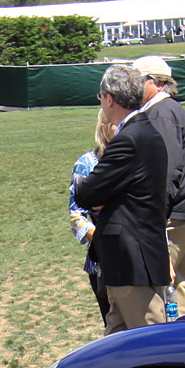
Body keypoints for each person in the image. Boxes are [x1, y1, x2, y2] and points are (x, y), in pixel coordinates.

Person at [73, 64, 172, 334]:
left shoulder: (129, 139)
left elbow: (85, 193)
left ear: (109, 99)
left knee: (150, 344)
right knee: (115, 344)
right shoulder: (147, 132)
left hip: (132, 263)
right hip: (133, 260)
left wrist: (85, 184)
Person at [130, 55, 185, 312]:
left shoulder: (160, 114)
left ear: (154, 82)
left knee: (156, 287)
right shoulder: (173, 110)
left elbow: (165, 170)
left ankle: (166, 348)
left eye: (137, 81)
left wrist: (154, 216)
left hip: (178, 213)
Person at [68, 106, 117, 324]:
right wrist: (104, 240)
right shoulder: (87, 163)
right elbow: (76, 216)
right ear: (104, 128)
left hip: (140, 259)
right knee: (114, 329)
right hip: (102, 264)